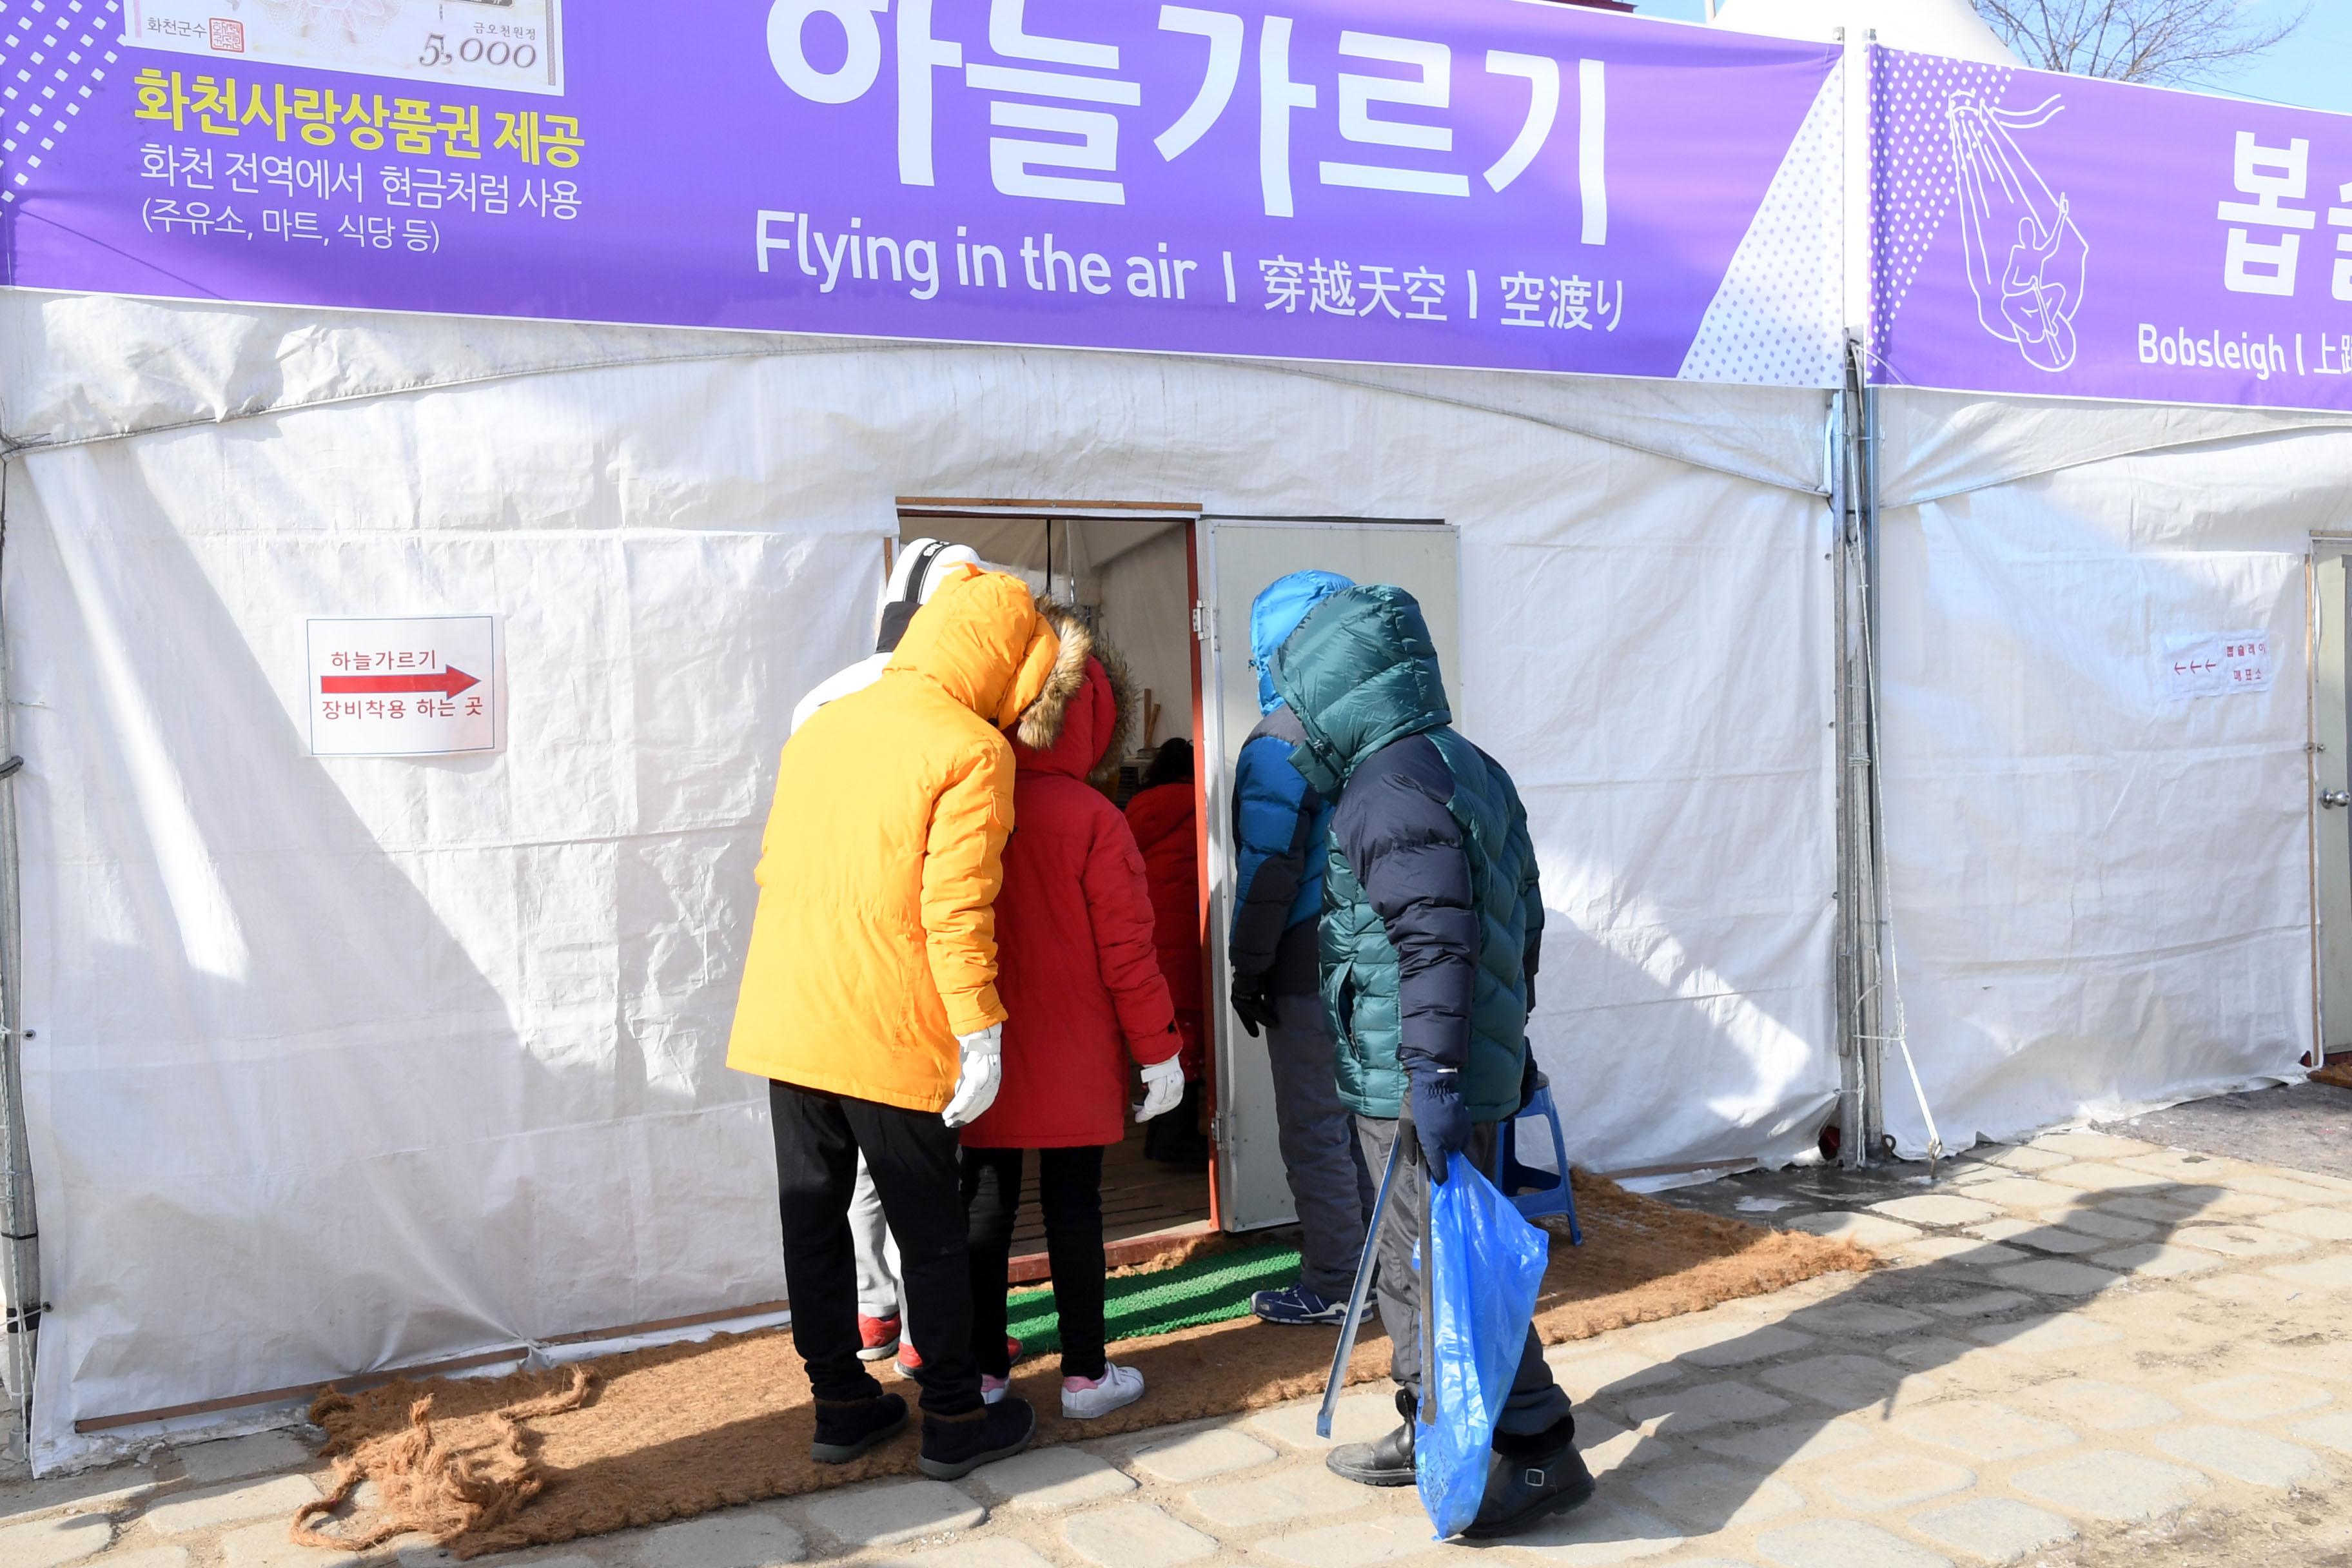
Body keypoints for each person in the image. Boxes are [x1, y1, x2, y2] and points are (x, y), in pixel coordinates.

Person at [1265, 582, 1591, 1539]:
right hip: (1450, 1065)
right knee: (1431, 1262)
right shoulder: (1464, 765)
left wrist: (1437, 1081)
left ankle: (1535, 1451)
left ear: (1340, 691)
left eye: (1300, 706)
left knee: (1442, 1268)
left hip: (1417, 1078)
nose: (1295, 729)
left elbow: (1436, 947)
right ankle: (1431, 1423)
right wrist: (1503, 1046)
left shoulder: (1387, 789)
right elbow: (1520, 921)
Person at [729, 564, 1067, 1482]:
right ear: (1013, 662)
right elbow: (956, 909)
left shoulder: (828, 725)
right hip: (887, 1021)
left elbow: (776, 865)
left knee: (815, 1216)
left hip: (789, 1012)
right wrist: (982, 1032)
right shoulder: (970, 749)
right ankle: (954, 1416)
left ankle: (839, 1402)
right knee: (932, 1228)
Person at [788, 538, 1021, 1377]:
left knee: (831, 1190)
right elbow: (951, 890)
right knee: (926, 1189)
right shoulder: (952, 717)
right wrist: (980, 1029)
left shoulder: (822, 701)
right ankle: (941, 1365)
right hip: (907, 982)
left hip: (810, 982)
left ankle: (867, 1328)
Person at [959, 610, 1187, 1419]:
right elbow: (1131, 952)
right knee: (1074, 1205)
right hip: (1079, 1052)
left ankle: (984, 1369)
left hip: (984, 1044)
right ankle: (1086, 1374)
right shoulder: (1098, 820)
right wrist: (1161, 1051)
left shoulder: (972, 805)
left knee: (983, 1201)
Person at [1227, 571, 1375, 1327]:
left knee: (1317, 1125)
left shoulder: (1282, 738)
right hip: (1380, 959)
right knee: (1372, 1123)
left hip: (1307, 961)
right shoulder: (1382, 720)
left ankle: (1339, 1281)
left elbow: (1269, 873)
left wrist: (1246, 968)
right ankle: (1382, 1267)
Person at [1126, 739, 1208, 1164]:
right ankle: (1172, 1140)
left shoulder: (1137, 809)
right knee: (1190, 1041)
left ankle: (1161, 1133)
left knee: (1163, 1038)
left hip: (1148, 942)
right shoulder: (1202, 803)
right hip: (1190, 941)